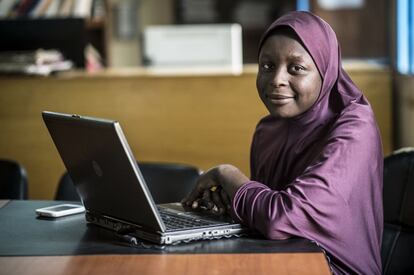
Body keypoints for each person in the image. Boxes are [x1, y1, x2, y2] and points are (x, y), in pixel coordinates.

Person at [182, 11, 383, 275]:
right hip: (277, 261)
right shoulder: (268, 129)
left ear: (326, 70)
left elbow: (282, 217)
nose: (276, 79)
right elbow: (265, 219)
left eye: (296, 68)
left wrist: (227, 175)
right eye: (267, 66)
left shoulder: (356, 126)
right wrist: (229, 205)